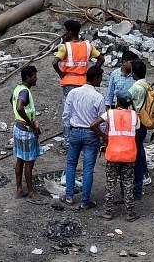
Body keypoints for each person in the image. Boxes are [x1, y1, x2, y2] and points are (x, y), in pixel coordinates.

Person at [62, 66, 106, 208]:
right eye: (100, 77)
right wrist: (103, 136)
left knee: (71, 164)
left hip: (75, 131)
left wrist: (68, 131)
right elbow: (102, 120)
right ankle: (85, 201)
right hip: (91, 134)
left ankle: (69, 196)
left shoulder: (73, 93)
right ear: (95, 78)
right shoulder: (98, 97)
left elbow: (66, 115)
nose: (101, 80)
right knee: (88, 168)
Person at [54, 18, 101, 144]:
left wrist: (61, 74)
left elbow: (54, 62)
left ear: (69, 32)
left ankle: (68, 141)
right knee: (83, 109)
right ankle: (84, 135)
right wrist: (94, 71)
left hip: (68, 82)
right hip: (84, 82)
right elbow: (101, 59)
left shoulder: (65, 47)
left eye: (65, 31)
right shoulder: (87, 45)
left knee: (68, 111)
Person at [102, 92, 140, 221]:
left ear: (117, 101)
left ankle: (108, 212)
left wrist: (104, 136)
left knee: (110, 183)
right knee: (128, 184)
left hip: (113, 154)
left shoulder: (110, 113)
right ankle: (130, 213)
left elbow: (93, 124)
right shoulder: (135, 116)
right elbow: (137, 132)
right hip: (129, 155)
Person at [11, 64, 41, 200]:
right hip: (26, 131)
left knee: (20, 160)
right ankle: (30, 191)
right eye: (34, 76)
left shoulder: (17, 88)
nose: (36, 79)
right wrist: (31, 124)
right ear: (28, 77)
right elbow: (19, 107)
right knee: (29, 162)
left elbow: (11, 100)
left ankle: (19, 189)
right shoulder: (25, 92)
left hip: (17, 128)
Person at [127, 58, 150, 200]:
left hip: (135, 123)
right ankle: (141, 179)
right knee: (140, 150)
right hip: (144, 122)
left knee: (136, 154)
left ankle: (137, 188)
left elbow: (124, 99)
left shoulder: (135, 88)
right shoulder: (147, 85)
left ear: (133, 73)